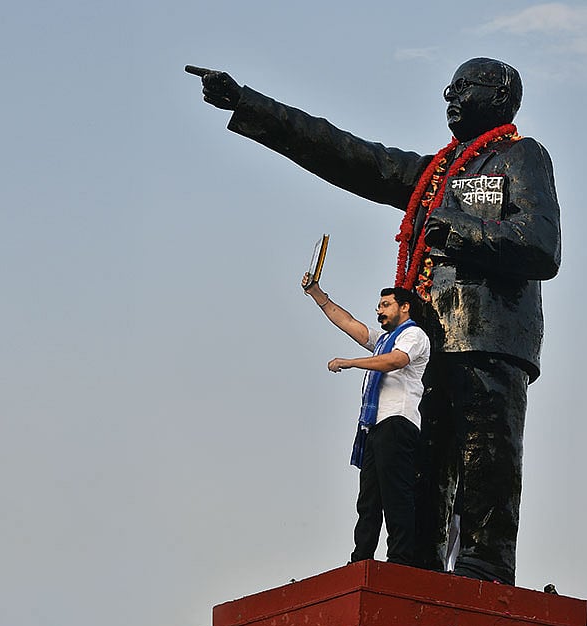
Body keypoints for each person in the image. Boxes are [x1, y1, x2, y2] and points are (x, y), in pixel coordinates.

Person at [186, 58, 560, 585]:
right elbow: (348, 155)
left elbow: (542, 248)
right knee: (424, 472)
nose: (449, 96)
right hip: (426, 346)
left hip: (489, 339)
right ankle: (419, 569)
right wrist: (248, 104)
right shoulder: (433, 176)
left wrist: (450, 227)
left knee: (485, 463)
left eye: (463, 87)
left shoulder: (521, 158)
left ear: (500, 96)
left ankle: (485, 567)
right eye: (446, 87)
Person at [302, 277, 430, 567]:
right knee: (369, 500)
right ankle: (361, 559)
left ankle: (400, 560)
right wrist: (317, 294)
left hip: (397, 422)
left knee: (395, 493)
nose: (379, 310)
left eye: (386, 305)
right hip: (375, 426)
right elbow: (347, 322)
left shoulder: (414, 336)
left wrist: (351, 362)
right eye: (378, 306)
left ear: (405, 307)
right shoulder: (383, 340)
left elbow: (395, 361)